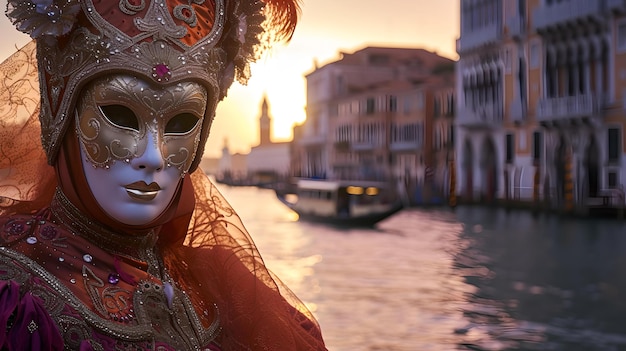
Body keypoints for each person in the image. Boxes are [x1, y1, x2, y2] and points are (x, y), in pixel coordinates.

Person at [0, 0, 327, 350]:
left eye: (181, 123)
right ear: (61, 113)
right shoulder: (16, 295)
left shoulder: (219, 286)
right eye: (120, 116)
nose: (153, 157)